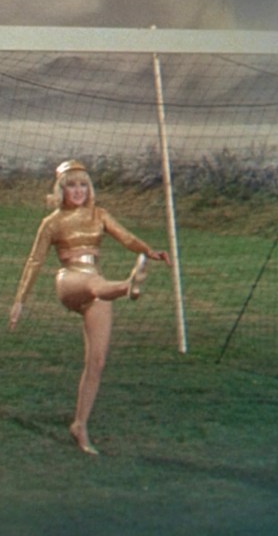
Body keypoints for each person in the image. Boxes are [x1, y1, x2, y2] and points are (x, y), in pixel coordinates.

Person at [9, 159, 170, 455]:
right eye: (71, 185)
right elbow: (34, 262)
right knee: (97, 285)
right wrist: (20, 301)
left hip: (97, 286)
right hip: (69, 280)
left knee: (96, 362)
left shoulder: (100, 215)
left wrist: (150, 252)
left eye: (83, 184)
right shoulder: (52, 223)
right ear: (61, 189)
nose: (78, 190)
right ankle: (127, 286)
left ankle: (80, 425)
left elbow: (126, 237)